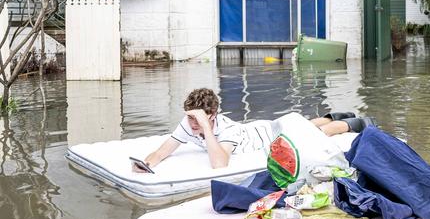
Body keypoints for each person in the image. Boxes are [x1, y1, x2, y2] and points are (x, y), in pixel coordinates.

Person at [133, 88, 373, 171]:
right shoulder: (189, 122)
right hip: (260, 128)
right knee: (306, 124)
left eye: (198, 120)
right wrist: (147, 164)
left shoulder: (225, 131)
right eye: (190, 118)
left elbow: (219, 164)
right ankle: (335, 115)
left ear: (212, 117)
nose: (192, 125)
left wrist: (205, 127)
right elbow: (162, 151)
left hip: (271, 135)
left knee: (316, 134)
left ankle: (352, 123)